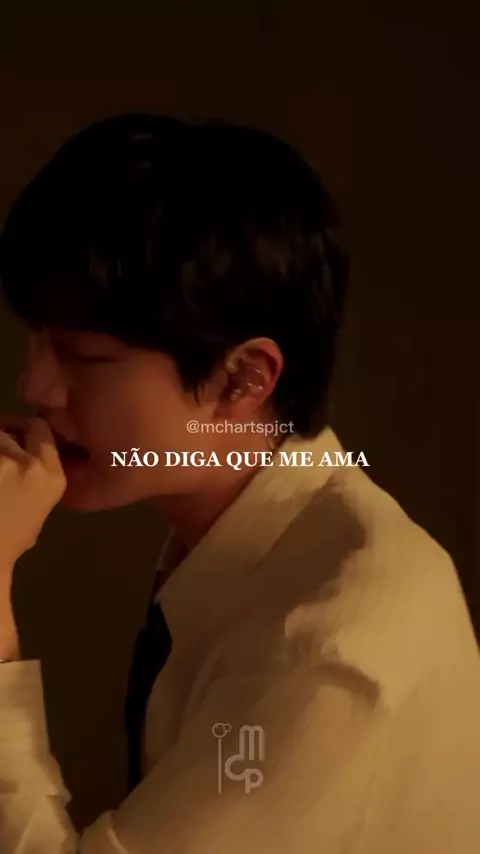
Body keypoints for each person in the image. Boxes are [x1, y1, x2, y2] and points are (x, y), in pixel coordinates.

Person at [0, 114, 479, 854]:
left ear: (244, 378)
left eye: (85, 356)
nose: (34, 386)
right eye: (37, 339)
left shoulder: (324, 647)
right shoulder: (248, 542)